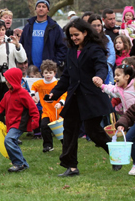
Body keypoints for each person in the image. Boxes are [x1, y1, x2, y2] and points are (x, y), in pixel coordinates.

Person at [49, 18, 118, 177]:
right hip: (74, 97)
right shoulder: (71, 51)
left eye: (76, 35)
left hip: (91, 97)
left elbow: (101, 66)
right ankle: (71, 167)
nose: (73, 38)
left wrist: (99, 78)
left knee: (93, 132)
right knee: (69, 131)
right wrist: (55, 93)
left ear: (85, 33)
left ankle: (116, 157)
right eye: (71, 36)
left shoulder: (95, 49)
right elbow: (66, 76)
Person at [0, 68, 39, 172]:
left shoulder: (23, 94)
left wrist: (35, 122)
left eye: (8, 80)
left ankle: (18, 164)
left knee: (9, 140)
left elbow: (33, 109)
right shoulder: (7, 95)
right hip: (10, 124)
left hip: (19, 124)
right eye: (6, 80)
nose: (6, 82)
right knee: (11, 141)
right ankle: (23, 164)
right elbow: (0, 108)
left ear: (14, 80)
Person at [20, 0, 67, 69]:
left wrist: (55, 63)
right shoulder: (28, 26)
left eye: (43, 6)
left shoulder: (54, 27)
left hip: (48, 70)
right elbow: (22, 45)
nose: (41, 8)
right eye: (39, 6)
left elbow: (63, 47)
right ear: (36, 9)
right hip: (30, 68)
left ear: (48, 10)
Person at [31, 60, 65, 152]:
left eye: (50, 72)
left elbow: (64, 94)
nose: (48, 75)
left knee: (60, 130)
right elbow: (34, 86)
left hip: (58, 111)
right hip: (46, 111)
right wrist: (33, 95)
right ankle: (48, 146)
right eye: (46, 73)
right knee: (44, 126)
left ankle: (66, 146)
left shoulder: (57, 84)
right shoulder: (40, 83)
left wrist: (61, 103)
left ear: (54, 73)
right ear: (42, 73)